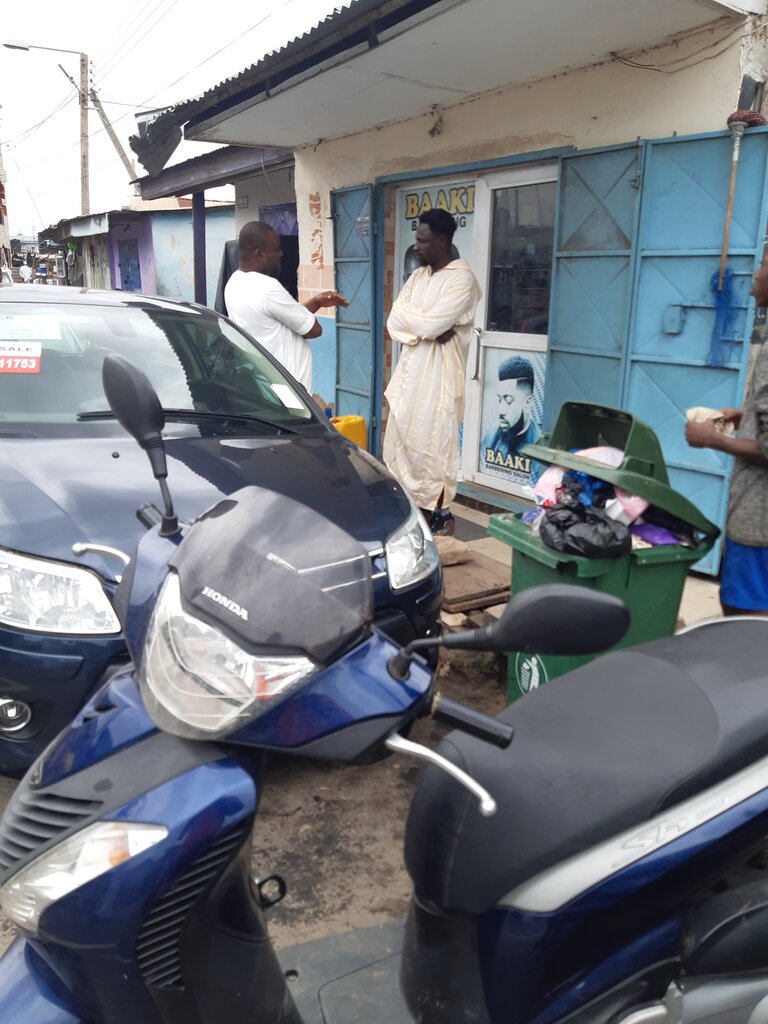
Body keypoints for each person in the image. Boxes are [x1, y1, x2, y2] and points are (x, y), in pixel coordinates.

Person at [383, 209, 481, 536]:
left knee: (435, 444)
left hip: (440, 377)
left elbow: (431, 324)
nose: (416, 247)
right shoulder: (417, 277)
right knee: (405, 441)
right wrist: (423, 328)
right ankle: (408, 510)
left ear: (441, 241)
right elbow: (395, 321)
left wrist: (421, 325)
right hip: (411, 374)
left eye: (422, 241)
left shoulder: (462, 280)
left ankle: (438, 514)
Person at [685, 253, 768, 615]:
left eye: (764, 264)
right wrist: (746, 414)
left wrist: (711, 439)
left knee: (743, 617)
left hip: (759, 524)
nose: (756, 275)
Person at [224, 221, 348, 392]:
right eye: (276, 249)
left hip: (263, 384)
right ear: (259, 254)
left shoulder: (234, 282)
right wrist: (312, 309)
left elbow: (281, 319)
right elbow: (313, 330)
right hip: (288, 391)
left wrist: (317, 302)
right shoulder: (267, 288)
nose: (281, 253)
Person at [481, 354, 540, 470]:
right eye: (499, 399)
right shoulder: (491, 436)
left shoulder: (539, 448)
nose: (500, 410)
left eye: (508, 401)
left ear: (527, 404)